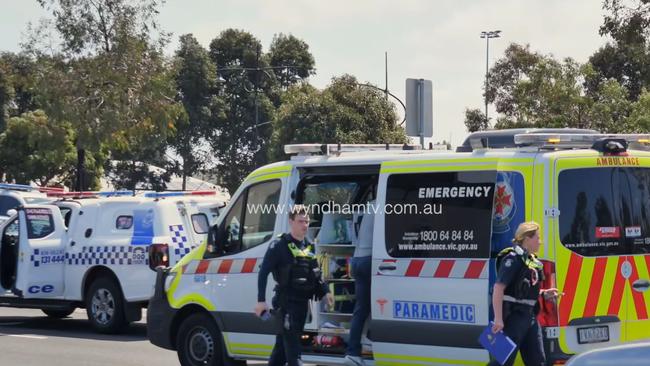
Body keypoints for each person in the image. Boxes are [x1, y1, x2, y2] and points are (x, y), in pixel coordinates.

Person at [255, 204, 334, 366]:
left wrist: (325, 291)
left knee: (280, 353)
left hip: (302, 306)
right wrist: (261, 300)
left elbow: (316, 272)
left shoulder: (308, 245)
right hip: (286, 305)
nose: (305, 225)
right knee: (293, 353)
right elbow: (263, 273)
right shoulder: (278, 245)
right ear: (291, 222)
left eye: (307, 221)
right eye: (300, 221)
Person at [489, 221, 560, 366]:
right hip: (512, 318)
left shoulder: (532, 262)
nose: (540, 242)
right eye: (537, 238)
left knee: (538, 362)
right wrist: (498, 319)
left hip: (530, 318)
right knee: (501, 362)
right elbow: (498, 288)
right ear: (527, 239)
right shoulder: (512, 259)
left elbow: (524, 291)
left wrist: (544, 294)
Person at [344, 196, 375, 366]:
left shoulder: (369, 204)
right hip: (369, 259)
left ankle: (353, 352)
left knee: (362, 308)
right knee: (375, 306)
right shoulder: (386, 202)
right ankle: (368, 341)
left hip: (357, 257)